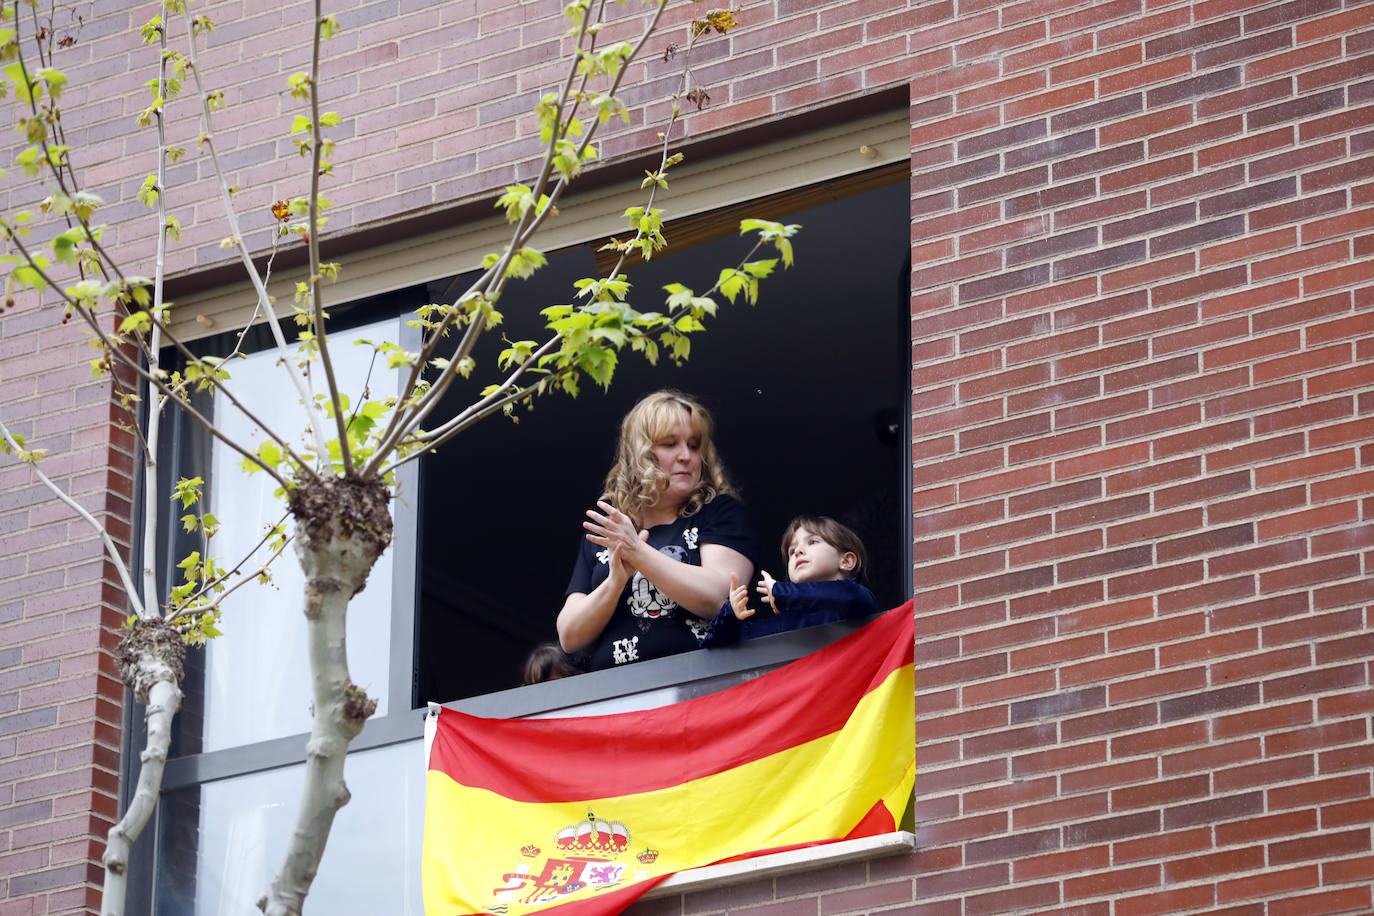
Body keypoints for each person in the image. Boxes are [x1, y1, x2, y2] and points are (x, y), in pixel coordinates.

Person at [558, 391, 759, 670]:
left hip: (701, 686)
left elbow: (720, 597)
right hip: (614, 694)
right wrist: (615, 583)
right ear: (639, 452)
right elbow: (569, 636)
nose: (686, 456)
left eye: (694, 445)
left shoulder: (719, 512)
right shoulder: (612, 528)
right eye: (670, 444)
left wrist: (638, 553)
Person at [700, 516, 878, 647]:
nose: (799, 551)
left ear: (846, 561)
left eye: (813, 541)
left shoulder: (856, 597)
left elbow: (848, 596)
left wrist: (782, 593)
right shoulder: (787, 622)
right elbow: (717, 646)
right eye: (792, 551)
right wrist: (730, 615)